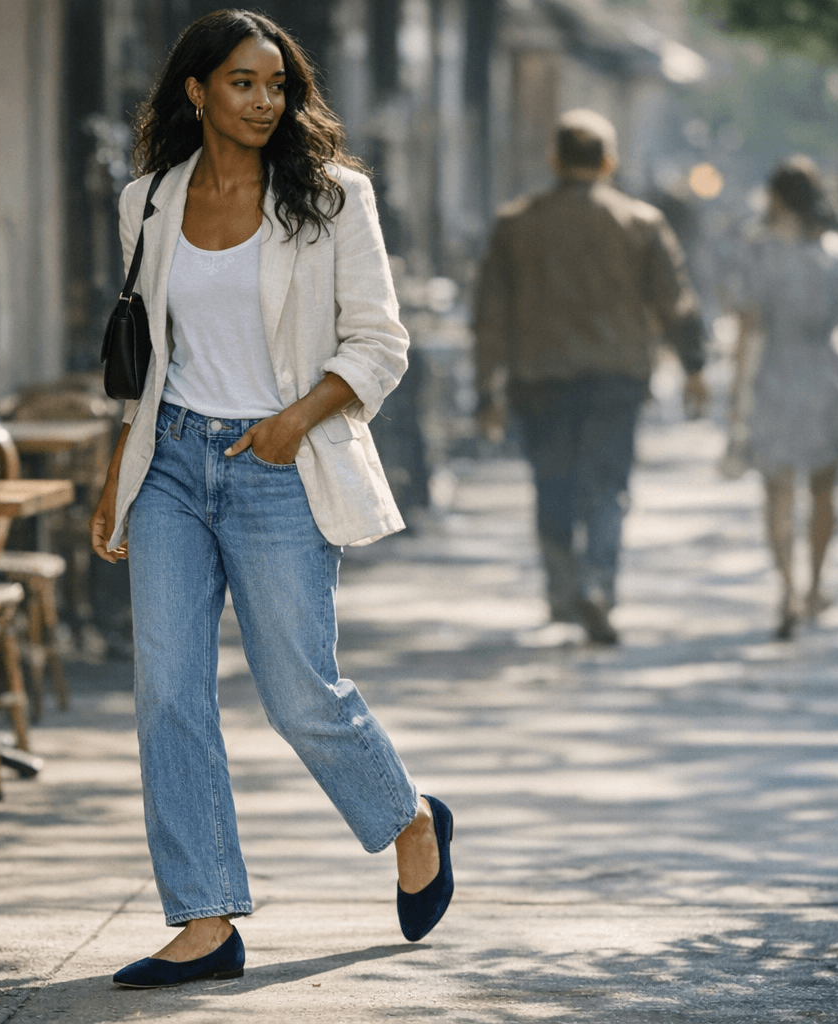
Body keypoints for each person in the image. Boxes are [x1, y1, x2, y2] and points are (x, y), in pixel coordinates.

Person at [88, 9, 453, 988]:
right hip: (170, 464)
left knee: (298, 693)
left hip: (277, 463)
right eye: (242, 83)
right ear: (197, 90)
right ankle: (205, 919)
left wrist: (295, 419)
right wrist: (117, 474)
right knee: (169, 694)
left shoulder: (332, 199)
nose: (263, 102)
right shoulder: (147, 202)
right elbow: (145, 360)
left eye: (277, 85)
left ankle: (410, 818)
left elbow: (380, 343)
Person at [473, 109, 708, 645]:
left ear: (554, 160)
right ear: (609, 163)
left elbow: (489, 316)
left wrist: (486, 390)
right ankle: (598, 584)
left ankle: (563, 591)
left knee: (551, 483)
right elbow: (675, 301)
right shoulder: (641, 222)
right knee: (607, 486)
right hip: (616, 379)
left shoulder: (515, 224)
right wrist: (694, 366)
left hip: (540, 378)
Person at [725, 155, 838, 639]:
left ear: (774, 197)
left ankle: (786, 587)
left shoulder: (758, 252)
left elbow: (747, 329)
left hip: (775, 379)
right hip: (825, 378)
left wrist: (736, 397)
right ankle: (815, 585)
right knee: (823, 492)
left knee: (776, 490)